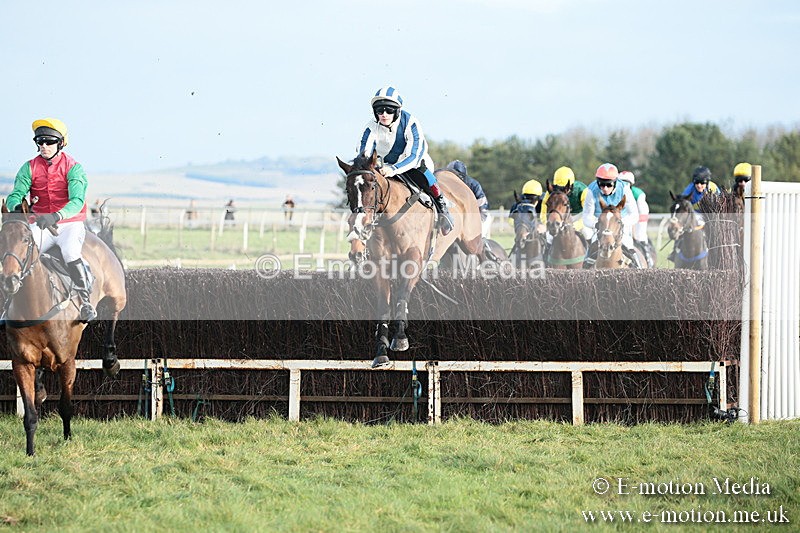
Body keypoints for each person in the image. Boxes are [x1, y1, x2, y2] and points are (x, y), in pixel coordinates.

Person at [5, 118, 96, 322]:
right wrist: (17, 207)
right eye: (40, 141)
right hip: (40, 224)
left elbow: (77, 200)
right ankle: (7, 306)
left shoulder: (74, 168)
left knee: (70, 251)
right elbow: (16, 194)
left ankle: (85, 301)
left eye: (49, 142)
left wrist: (56, 215)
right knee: (20, 255)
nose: (43, 146)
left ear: (60, 143)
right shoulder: (28, 167)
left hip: (69, 224)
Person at [357, 86, 454, 235]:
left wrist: (393, 169)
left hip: (413, 164)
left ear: (396, 111)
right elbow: (363, 153)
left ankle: (442, 208)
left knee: (424, 174)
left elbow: (414, 156)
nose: (384, 114)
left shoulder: (411, 123)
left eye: (389, 110)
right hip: (383, 166)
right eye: (380, 111)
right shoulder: (370, 127)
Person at [582, 163, 642, 267]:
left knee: (628, 244)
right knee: (592, 247)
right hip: (601, 226)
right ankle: (584, 272)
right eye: (601, 184)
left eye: (609, 184)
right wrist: (599, 223)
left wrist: (619, 223)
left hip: (620, 225)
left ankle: (639, 270)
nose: (605, 188)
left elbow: (634, 215)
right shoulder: (591, 190)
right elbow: (586, 217)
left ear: (615, 182)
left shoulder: (624, 189)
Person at [618, 170, 654, 267]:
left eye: (626, 183)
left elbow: (642, 212)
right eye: (621, 182)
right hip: (624, 219)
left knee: (640, 236)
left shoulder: (638, 194)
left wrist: (633, 226)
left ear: (631, 184)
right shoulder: (616, 193)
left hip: (639, 217)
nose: (624, 185)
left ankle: (648, 258)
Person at [445, 160, 490, 236]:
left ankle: (485, 246)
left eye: (454, 175)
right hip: (461, 217)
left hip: (480, 214)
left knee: (478, 237)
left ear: (462, 176)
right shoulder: (447, 185)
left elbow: (481, 206)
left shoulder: (473, 185)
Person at [540, 165, 588, 234]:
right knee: (549, 237)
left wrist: (576, 225)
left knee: (587, 233)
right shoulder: (551, 193)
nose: (561, 192)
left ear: (571, 186)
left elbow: (588, 213)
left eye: (564, 188)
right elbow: (543, 213)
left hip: (579, 216)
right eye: (558, 188)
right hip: (560, 216)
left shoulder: (583, 191)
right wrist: (548, 224)